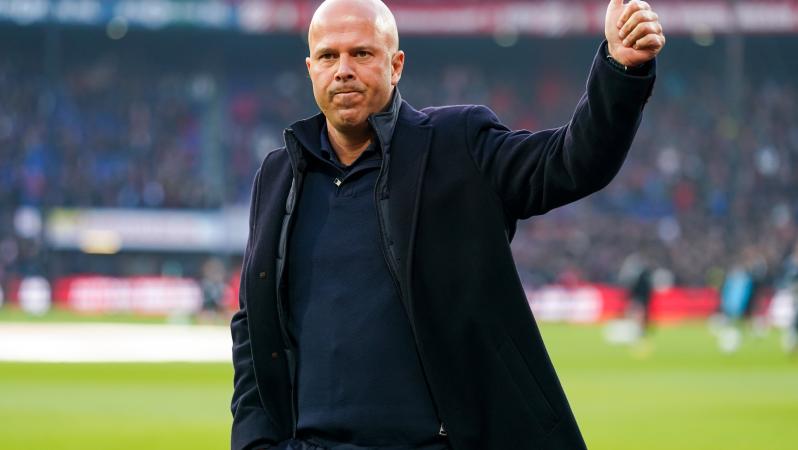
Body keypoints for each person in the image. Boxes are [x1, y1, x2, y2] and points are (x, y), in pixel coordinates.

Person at [230, 0, 664, 449]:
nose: (342, 69)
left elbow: (571, 162)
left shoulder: (458, 144)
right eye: (327, 56)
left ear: (395, 65)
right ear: (310, 69)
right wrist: (254, 440)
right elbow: (252, 325)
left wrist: (620, 71)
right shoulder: (278, 175)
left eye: (361, 53)